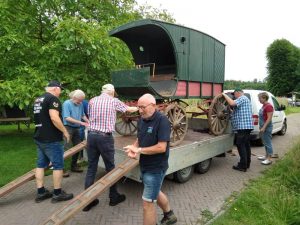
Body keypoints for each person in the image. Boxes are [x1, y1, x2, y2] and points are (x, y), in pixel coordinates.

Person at [82, 83, 138, 211]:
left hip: (91, 136)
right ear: (112, 92)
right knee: (110, 168)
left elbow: (91, 117)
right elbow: (128, 110)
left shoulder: (92, 100)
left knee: (91, 167)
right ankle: (113, 197)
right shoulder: (114, 101)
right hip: (104, 138)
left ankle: (87, 201)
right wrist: (138, 107)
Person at [124, 93, 177, 225]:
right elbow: (140, 137)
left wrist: (140, 150)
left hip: (156, 167)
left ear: (153, 105)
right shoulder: (142, 118)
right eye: (138, 107)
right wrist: (134, 148)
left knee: (147, 204)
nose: (140, 110)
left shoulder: (162, 120)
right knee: (156, 191)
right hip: (145, 165)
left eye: (143, 107)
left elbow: (161, 147)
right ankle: (169, 215)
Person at [33, 80, 73, 203]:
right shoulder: (53, 99)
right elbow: (54, 117)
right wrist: (65, 132)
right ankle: (57, 193)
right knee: (58, 165)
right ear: (55, 88)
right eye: (60, 89)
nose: (60, 92)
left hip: (39, 136)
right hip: (51, 138)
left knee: (40, 165)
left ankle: (41, 192)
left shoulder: (38, 99)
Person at [222, 88, 254, 172]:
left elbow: (232, 103)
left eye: (234, 94)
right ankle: (247, 163)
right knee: (246, 145)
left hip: (243, 127)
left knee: (240, 145)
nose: (234, 96)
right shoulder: (244, 100)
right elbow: (236, 111)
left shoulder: (242, 98)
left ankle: (242, 166)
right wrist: (230, 110)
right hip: (245, 126)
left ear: (238, 93)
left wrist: (224, 94)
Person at [62, 90, 89, 176]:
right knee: (66, 148)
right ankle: (61, 169)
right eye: (79, 100)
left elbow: (82, 115)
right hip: (68, 128)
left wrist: (88, 121)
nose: (81, 102)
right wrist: (81, 122)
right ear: (74, 98)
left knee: (78, 147)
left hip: (76, 128)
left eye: (82, 100)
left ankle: (74, 166)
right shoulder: (66, 104)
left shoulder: (80, 104)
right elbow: (67, 118)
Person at [257, 92, 274, 165]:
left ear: (264, 98)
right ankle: (266, 156)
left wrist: (264, 127)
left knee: (268, 143)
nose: (259, 100)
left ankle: (269, 159)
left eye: (260, 98)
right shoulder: (264, 105)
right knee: (265, 142)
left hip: (267, 127)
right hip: (263, 127)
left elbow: (269, 118)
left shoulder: (269, 106)